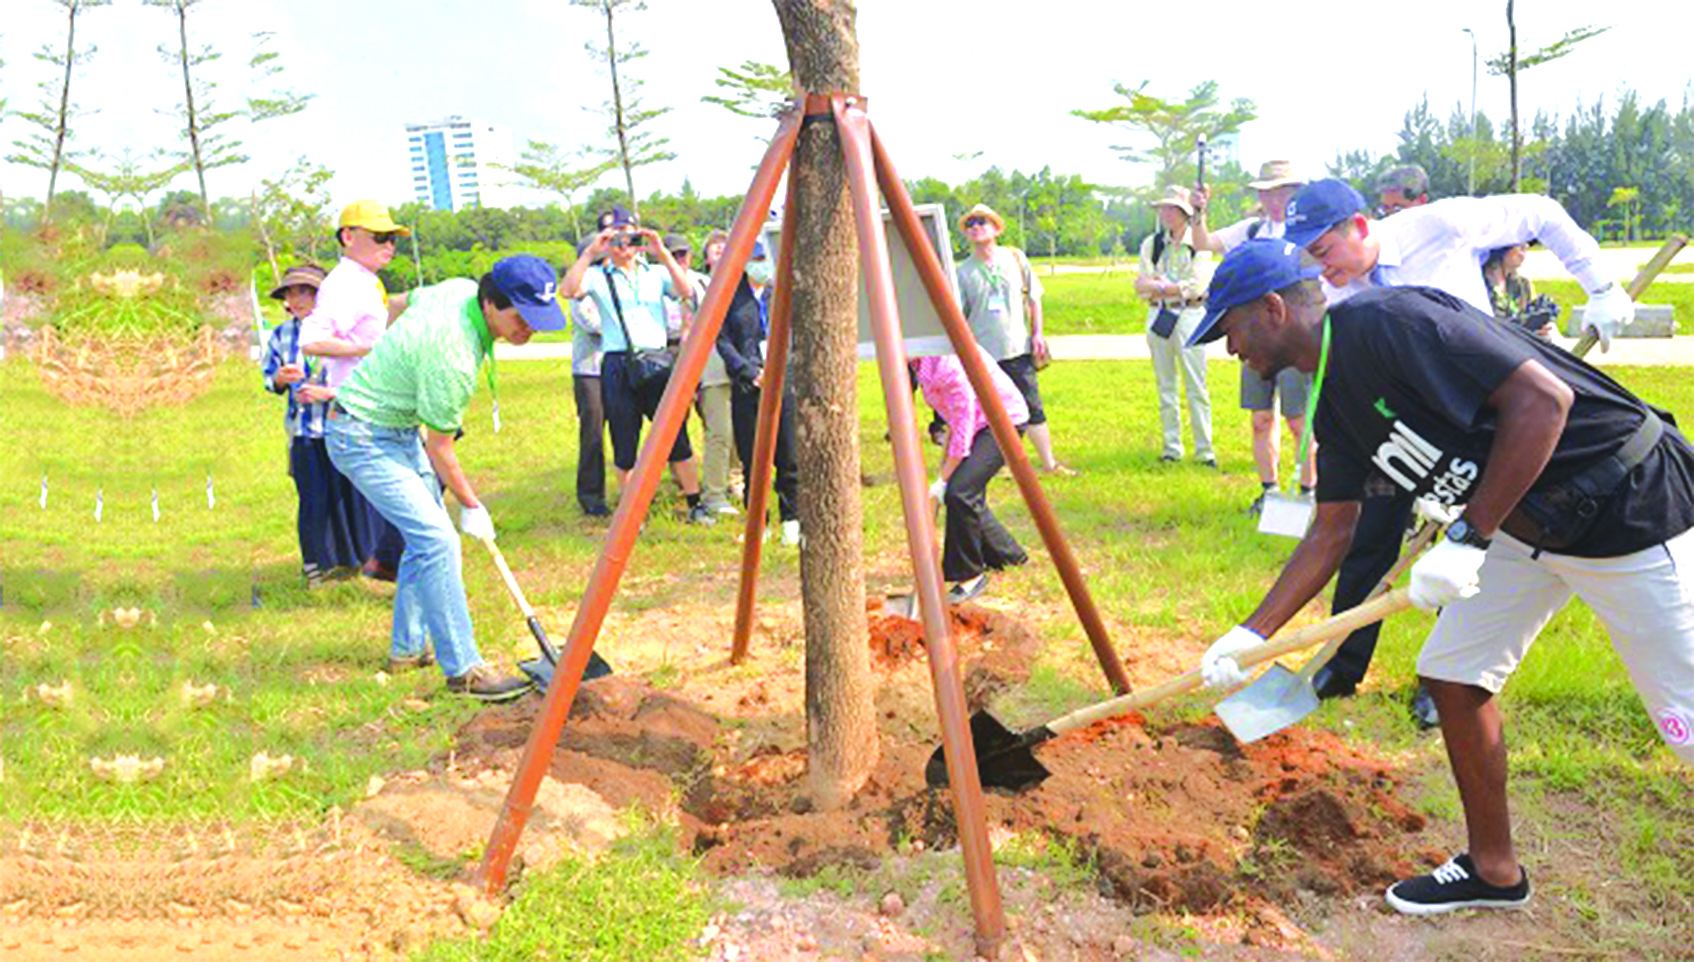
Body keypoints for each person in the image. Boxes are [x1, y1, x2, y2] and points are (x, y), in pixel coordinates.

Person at [1190, 238, 1694, 915]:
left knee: (1686, 718)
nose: (1229, 350)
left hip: (1627, 505)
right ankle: (1494, 870)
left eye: (1230, 328)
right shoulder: (1331, 401)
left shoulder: (1393, 324)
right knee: (1455, 673)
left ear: (1273, 309)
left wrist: (1468, 534)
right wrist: (1248, 634)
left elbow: (1543, 403)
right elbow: (1332, 529)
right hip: (1527, 522)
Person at [1283, 177, 1636, 724]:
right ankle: (1342, 662)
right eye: (1310, 257)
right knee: (1369, 542)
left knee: (1466, 547)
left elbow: (1540, 213)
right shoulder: (1332, 289)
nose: (1321, 267)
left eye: (1324, 251)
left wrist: (1601, 286)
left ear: (1358, 227)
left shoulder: (1438, 227)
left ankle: (1440, 682)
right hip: (1397, 428)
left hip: (1481, 423)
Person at [325, 255, 566, 701]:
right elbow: (441, 447)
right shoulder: (452, 357)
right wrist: (473, 506)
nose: (528, 329)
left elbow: (398, 303)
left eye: (538, 319)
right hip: (360, 436)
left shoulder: (457, 288)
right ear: (492, 303)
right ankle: (464, 671)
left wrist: (394, 357)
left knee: (425, 540)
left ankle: (407, 650)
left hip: (397, 428)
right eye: (521, 317)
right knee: (439, 539)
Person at [560, 207, 713, 524]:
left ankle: (695, 502)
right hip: (618, 363)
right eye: (614, 237)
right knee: (624, 439)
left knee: (675, 435)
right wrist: (590, 252)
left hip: (656, 359)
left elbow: (685, 292)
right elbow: (568, 290)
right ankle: (633, 513)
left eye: (629, 236)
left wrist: (661, 253)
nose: (623, 244)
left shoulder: (654, 273)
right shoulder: (598, 276)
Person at [1192, 161, 1315, 512]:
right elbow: (1203, 242)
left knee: (1298, 421)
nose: (1274, 199)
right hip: (1256, 339)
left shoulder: (1306, 232)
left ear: (1294, 193)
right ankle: (1269, 491)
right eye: (1267, 191)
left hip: (1293, 340)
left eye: (1282, 191)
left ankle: (1308, 492)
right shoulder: (1251, 230)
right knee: (1261, 418)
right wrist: (1200, 212)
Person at [300, 200, 413, 581]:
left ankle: (388, 563)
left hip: (378, 405)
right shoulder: (344, 284)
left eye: (393, 239)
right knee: (407, 499)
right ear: (348, 237)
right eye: (380, 237)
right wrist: (369, 350)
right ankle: (386, 565)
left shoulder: (366, 281)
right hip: (361, 414)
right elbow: (312, 341)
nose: (389, 246)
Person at [260, 264, 375, 589]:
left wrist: (329, 393)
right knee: (313, 500)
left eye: (304, 292)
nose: (295, 300)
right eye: (290, 293)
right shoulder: (281, 335)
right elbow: (269, 378)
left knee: (352, 496)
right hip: (304, 434)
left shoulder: (345, 334)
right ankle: (316, 566)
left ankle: (359, 561)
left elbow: (368, 382)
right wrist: (279, 379)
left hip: (344, 429)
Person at [954, 203, 1074, 475]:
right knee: (992, 413)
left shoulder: (1015, 258)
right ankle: (1000, 466)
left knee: (1032, 405)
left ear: (996, 228)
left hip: (1018, 348)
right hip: (984, 354)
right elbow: (959, 316)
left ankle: (1048, 463)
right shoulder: (963, 272)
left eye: (981, 221)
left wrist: (1038, 333)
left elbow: (1034, 298)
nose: (975, 227)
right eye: (970, 224)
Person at [913, 348, 1031, 603]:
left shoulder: (948, 363)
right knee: (965, 491)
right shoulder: (919, 361)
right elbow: (955, 419)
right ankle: (1009, 554)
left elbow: (964, 423)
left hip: (1002, 421)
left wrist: (944, 479)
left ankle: (970, 575)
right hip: (976, 423)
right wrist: (944, 469)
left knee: (959, 492)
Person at [714, 236, 801, 545]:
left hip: (783, 381)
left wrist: (781, 369)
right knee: (753, 458)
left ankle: (792, 519)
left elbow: (796, 335)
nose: (762, 266)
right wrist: (749, 372)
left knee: (788, 455)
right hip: (747, 385)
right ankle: (758, 523)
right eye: (756, 260)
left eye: (765, 260)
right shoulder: (730, 296)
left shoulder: (781, 293)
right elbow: (722, 341)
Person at [1134, 186, 1214, 466]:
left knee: (1196, 386)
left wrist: (1161, 286)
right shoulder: (1152, 244)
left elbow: (1197, 287)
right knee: (1165, 385)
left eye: (1172, 209)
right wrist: (1168, 288)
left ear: (1185, 212)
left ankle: (1205, 450)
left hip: (1190, 316)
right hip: (1158, 315)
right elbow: (1142, 286)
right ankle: (1172, 448)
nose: (1166, 214)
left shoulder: (1199, 243)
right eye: (1163, 209)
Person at [679, 231, 738, 518]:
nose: (720, 250)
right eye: (714, 247)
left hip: (743, 364)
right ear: (705, 256)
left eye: (725, 246)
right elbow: (688, 328)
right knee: (719, 432)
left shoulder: (743, 280)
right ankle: (713, 494)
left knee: (742, 430)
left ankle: (736, 482)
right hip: (714, 366)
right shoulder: (697, 285)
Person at [569, 288, 611, 517]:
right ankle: (591, 495)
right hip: (589, 370)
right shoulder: (580, 291)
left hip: (617, 367)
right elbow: (592, 324)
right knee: (593, 432)